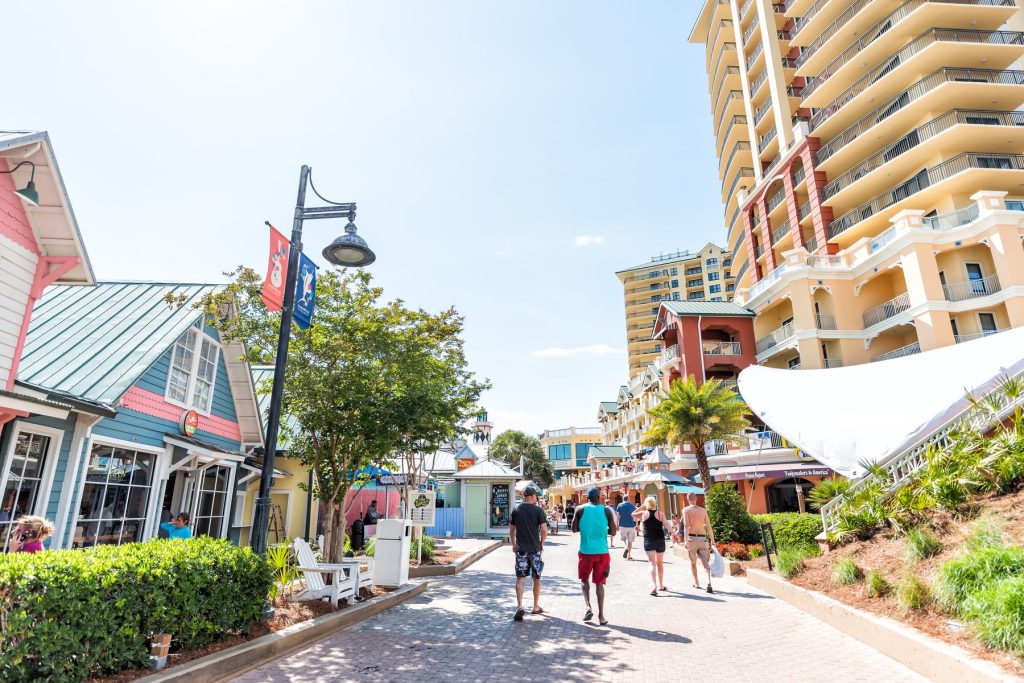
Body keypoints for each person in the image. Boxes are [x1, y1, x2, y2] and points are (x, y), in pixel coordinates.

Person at [571, 487, 617, 626]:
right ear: (599, 497)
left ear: (587, 497)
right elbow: (614, 532)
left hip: (585, 551)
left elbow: (574, 529)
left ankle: (587, 606)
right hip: (602, 552)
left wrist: (584, 527)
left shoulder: (580, 509)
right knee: (600, 583)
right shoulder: (606, 510)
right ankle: (601, 616)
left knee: (584, 580)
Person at [509, 483, 548, 621]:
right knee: (536, 578)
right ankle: (535, 606)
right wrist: (541, 544)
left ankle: (520, 606)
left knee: (520, 578)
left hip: (520, 550)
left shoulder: (516, 509)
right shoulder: (538, 510)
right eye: (535, 496)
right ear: (532, 496)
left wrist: (514, 544)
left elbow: (512, 529)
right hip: (534, 550)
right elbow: (544, 530)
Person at [633, 496, 672, 596]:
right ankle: (661, 585)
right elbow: (667, 525)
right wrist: (675, 534)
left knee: (651, 563)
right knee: (660, 563)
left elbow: (632, 514)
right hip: (660, 540)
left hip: (649, 540)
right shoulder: (660, 513)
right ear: (655, 503)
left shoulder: (643, 513)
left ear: (647, 504)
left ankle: (654, 586)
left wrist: (642, 507)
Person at [682, 493, 716, 593]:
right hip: (703, 539)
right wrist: (712, 539)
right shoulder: (703, 511)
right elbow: (709, 526)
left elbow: (687, 526)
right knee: (705, 562)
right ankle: (709, 582)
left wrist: (685, 540)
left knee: (693, 562)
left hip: (692, 539)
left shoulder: (686, 510)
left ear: (688, 499)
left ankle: (697, 583)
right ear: (696, 499)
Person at [615, 495, 637, 559]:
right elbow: (635, 515)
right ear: (628, 499)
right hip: (631, 525)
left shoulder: (619, 505)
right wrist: (637, 525)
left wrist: (617, 524)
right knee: (630, 541)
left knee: (624, 539)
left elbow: (617, 516)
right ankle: (629, 556)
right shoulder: (632, 505)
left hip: (622, 525)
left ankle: (626, 548)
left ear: (623, 499)